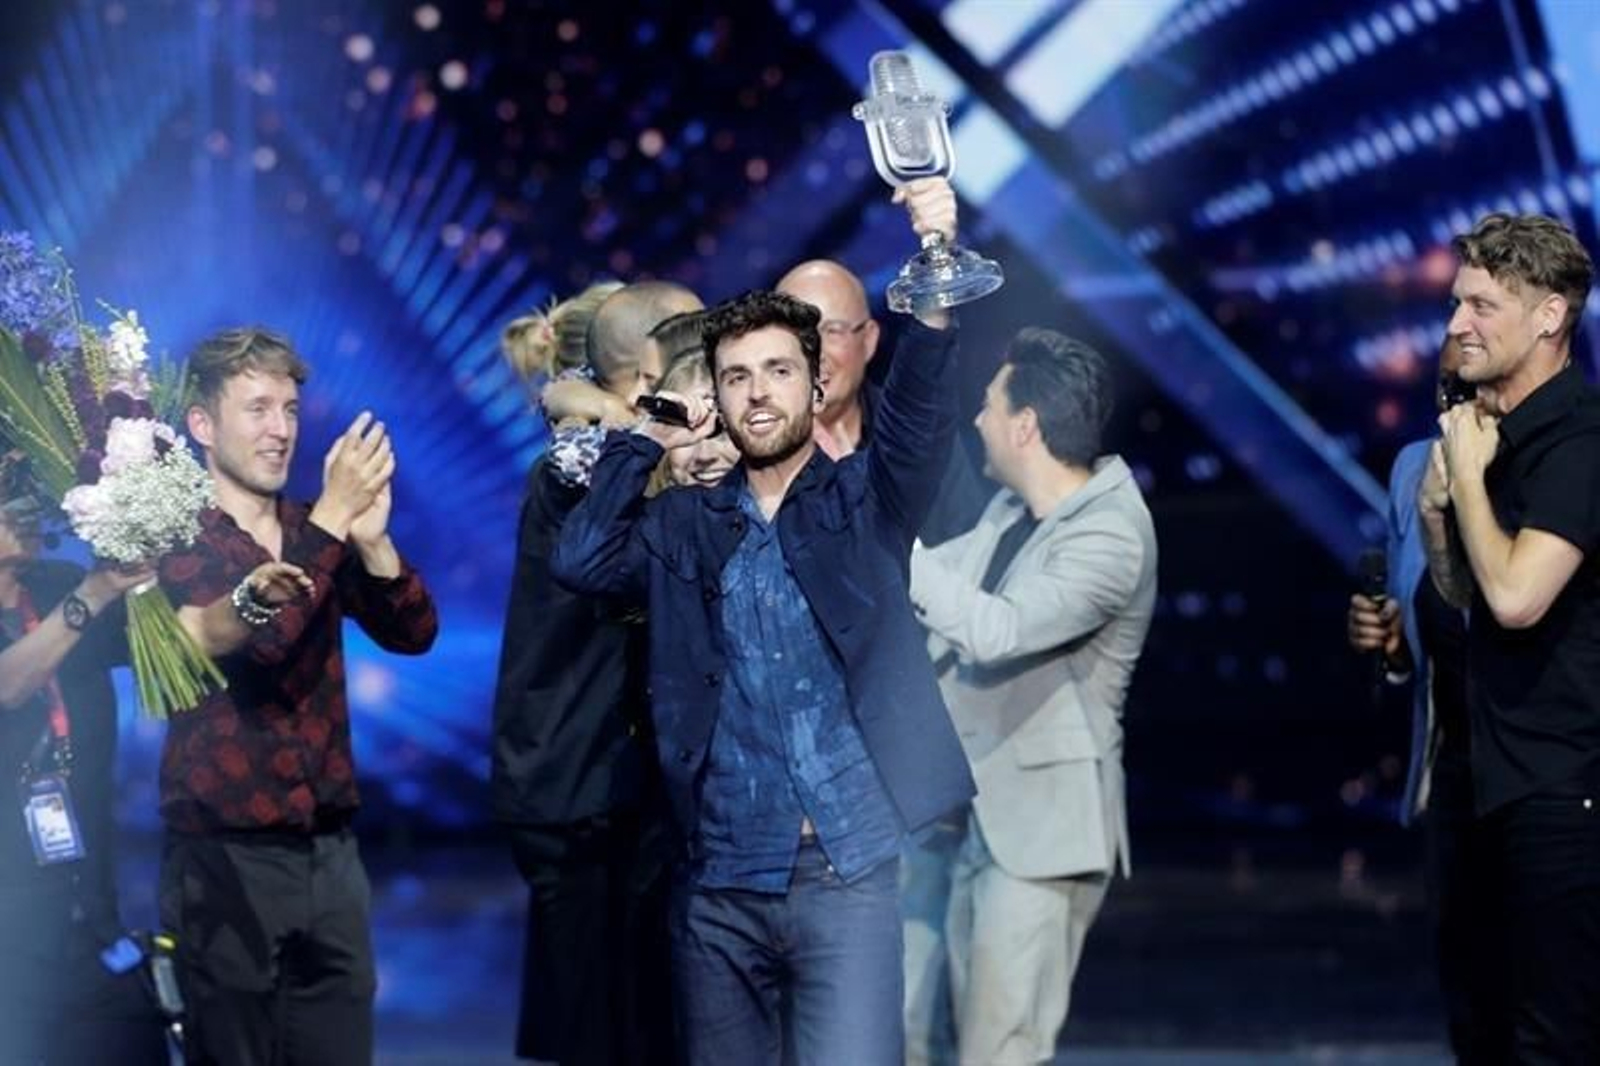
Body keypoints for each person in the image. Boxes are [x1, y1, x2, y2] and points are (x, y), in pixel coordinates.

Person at [552, 177, 976, 1065]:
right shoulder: (683, 523)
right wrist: (649, 438)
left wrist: (935, 252)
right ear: (716, 394)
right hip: (719, 879)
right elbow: (582, 561)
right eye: (737, 376)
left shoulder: (866, 500)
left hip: (847, 870)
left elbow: (922, 399)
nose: (758, 394)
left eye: (779, 371)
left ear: (817, 384)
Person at [156, 326, 439, 1065]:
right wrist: (334, 521)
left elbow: (414, 633)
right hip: (226, 858)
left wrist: (372, 542)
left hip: (330, 854)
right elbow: (265, 642)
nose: (280, 430)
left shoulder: (312, 527)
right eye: (257, 409)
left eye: (288, 410)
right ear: (202, 425)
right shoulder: (178, 537)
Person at [903, 329, 1156, 1064]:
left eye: (989, 405)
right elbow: (942, 582)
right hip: (982, 813)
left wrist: (894, 552)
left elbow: (998, 630)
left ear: (1025, 425)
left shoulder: (1111, 536)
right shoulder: (1011, 512)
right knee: (963, 1039)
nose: (978, 420)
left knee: (1003, 1048)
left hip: (1046, 834)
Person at [491, 285, 705, 1066]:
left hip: (610, 784)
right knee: (602, 1030)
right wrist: (615, 416)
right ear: (649, 373)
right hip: (577, 787)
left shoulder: (603, 440)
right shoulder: (581, 463)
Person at [1420, 212, 1600, 1060]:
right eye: (1458, 303)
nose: (1459, 324)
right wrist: (1436, 513)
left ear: (1550, 317)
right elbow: (1465, 595)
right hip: (1488, 780)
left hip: (1565, 791)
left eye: (1482, 306)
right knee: (1482, 1033)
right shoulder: (1490, 435)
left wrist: (1465, 481)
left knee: (1553, 1043)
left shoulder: (1581, 443)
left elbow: (1518, 597)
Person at [1346, 336, 1509, 1062]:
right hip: (1453, 765)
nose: (1455, 409)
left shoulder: (1545, 467)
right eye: (1445, 393)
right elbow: (1424, 629)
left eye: (1468, 392)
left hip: (1537, 762)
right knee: (1466, 978)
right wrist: (1389, 645)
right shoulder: (1414, 467)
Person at [0, 491, 167, 1066]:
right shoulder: (80, 593)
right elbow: (7, 686)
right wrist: (93, 594)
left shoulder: (57, 583)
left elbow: (175, 645)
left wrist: (248, 600)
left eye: (22, 490)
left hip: (88, 912)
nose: (21, 507)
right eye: (2, 493)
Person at [776, 258, 989, 546]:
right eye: (797, 334)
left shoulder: (921, 429)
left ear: (869, 341)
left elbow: (968, 544)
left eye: (833, 331)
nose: (815, 353)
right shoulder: (757, 452)